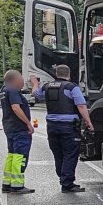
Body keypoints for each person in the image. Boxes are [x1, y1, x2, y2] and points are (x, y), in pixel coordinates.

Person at [30, 65, 94, 193]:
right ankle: (67, 183)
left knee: (58, 154)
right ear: (69, 74)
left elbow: (35, 93)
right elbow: (81, 105)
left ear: (55, 73)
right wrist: (89, 123)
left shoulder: (47, 86)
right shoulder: (72, 87)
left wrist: (35, 83)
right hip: (68, 127)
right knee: (70, 154)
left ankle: (63, 177)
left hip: (52, 126)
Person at [0, 70, 35, 195]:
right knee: (20, 157)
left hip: (9, 127)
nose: (23, 81)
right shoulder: (13, 90)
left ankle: (7, 183)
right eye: (21, 79)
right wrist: (28, 123)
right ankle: (17, 186)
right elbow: (15, 107)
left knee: (12, 155)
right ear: (15, 80)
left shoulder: (4, 90)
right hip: (19, 129)